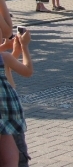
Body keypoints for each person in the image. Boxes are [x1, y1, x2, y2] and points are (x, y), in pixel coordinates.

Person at [0, 24, 33, 167]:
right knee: (18, 158)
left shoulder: (4, 57)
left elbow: (5, 69)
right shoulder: (4, 57)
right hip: (10, 121)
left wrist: (15, 51)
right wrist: (24, 47)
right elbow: (27, 70)